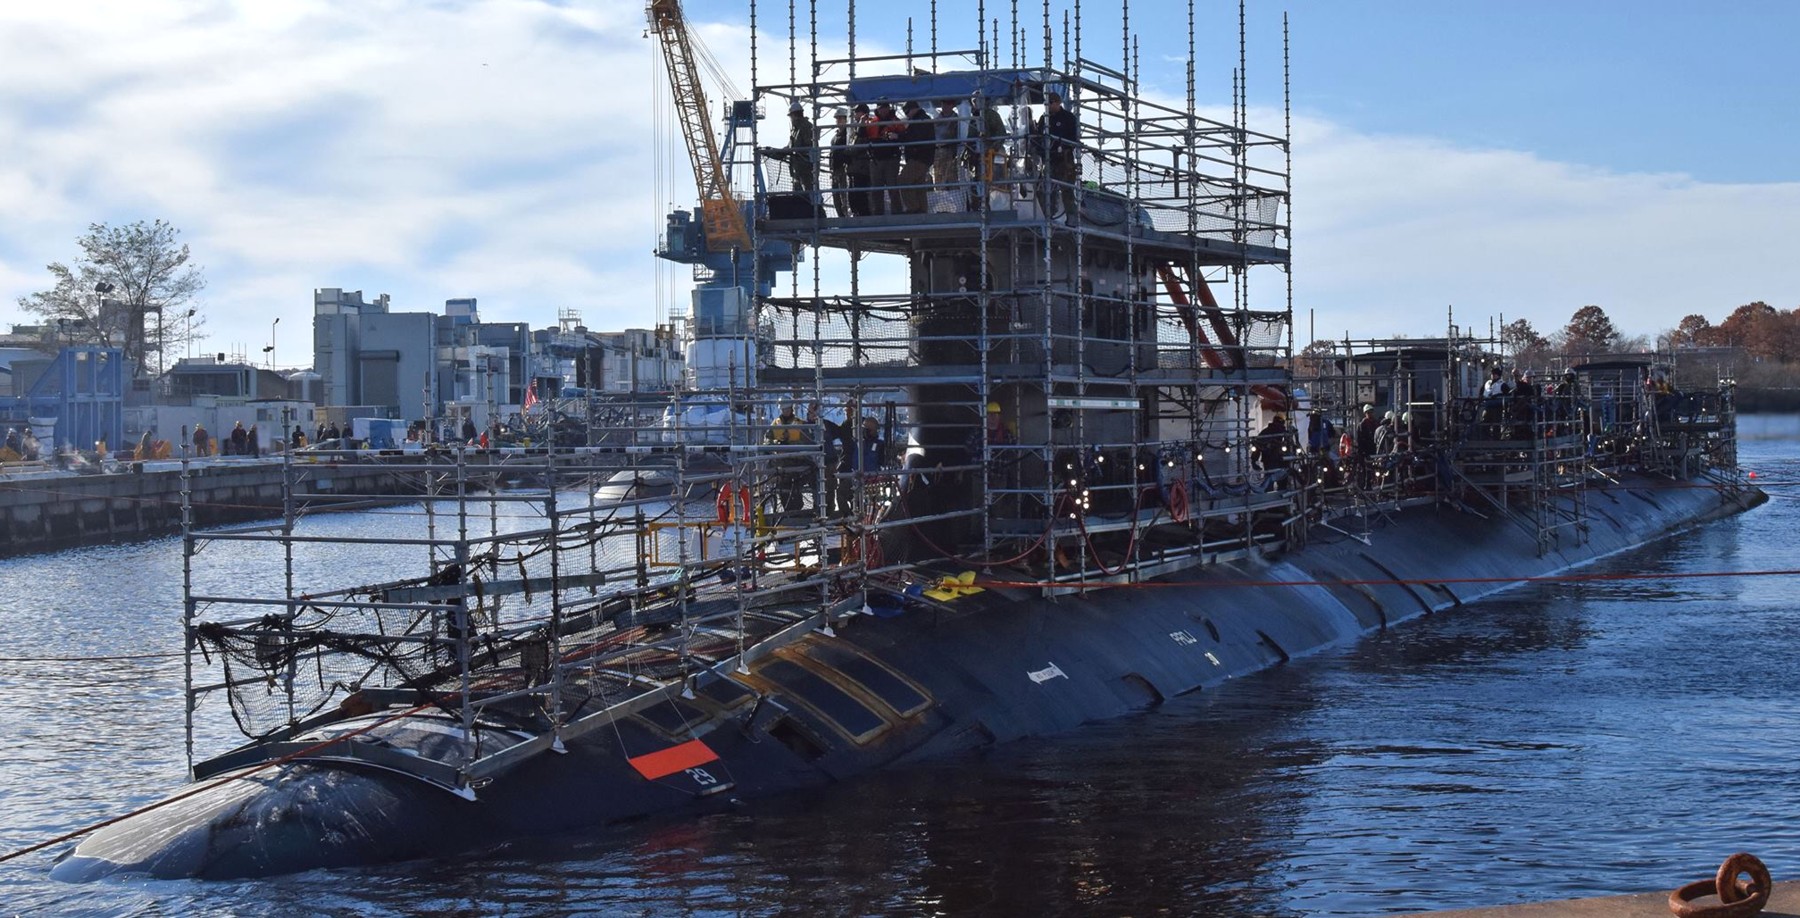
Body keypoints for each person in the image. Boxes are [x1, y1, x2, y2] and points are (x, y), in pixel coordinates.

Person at [1037, 90, 1079, 218]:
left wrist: (1064, 146)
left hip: (1064, 159)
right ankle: (1047, 215)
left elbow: (1074, 138)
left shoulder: (1068, 117)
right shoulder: (1044, 119)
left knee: (1066, 188)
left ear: (1057, 103)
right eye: (1046, 103)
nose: (1048, 106)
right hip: (1049, 159)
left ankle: (1071, 217)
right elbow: (1039, 137)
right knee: (1045, 188)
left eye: (1050, 103)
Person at [864, 100, 903, 215]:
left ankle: (896, 212)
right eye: (881, 107)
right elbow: (863, 135)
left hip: (891, 158)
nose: (883, 110)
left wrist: (897, 136)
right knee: (876, 189)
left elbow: (904, 136)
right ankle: (878, 213)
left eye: (885, 107)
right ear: (878, 108)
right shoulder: (872, 122)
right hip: (876, 159)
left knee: (892, 187)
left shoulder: (895, 121)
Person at [897, 100, 935, 214]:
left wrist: (898, 136)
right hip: (923, 157)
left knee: (903, 180)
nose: (906, 115)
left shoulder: (920, 120)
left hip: (919, 157)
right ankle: (922, 210)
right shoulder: (922, 119)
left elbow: (914, 137)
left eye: (907, 111)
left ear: (913, 109)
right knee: (918, 185)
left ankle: (913, 207)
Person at [846, 103, 874, 216]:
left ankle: (863, 215)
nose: (854, 114)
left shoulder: (865, 125)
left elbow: (860, 144)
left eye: (856, 112)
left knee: (860, 193)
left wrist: (847, 153)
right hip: (855, 165)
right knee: (853, 194)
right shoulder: (857, 127)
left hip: (861, 165)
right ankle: (858, 213)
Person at [932, 98, 962, 203]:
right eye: (944, 103)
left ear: (952, 105)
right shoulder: (937, 119)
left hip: (950, 152)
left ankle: (956, 204)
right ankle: (941, 204)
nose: (945, 106)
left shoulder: (955, 120)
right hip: (937, 152)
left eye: (948, 104)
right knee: (939, 179)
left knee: (951, 178)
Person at [827, 108, 855, 217]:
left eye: (840, 118)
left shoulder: (848, 135)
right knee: (836, 196)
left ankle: (846, 216)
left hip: (844, 169)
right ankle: (841, 216)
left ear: (845, 119)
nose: (838, 120)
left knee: (845, 196)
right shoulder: (835, 137)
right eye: (837, 118)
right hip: (835, 170)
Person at [784, 101, 816, 193]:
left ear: (794, 115)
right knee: (798, 191)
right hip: (798, 167)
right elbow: (792, 145)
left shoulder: (806, 127)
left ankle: (813, 205)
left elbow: (808, 145)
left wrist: (794, 150)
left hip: (806, 166)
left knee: (809, 190)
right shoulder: (796, 129)